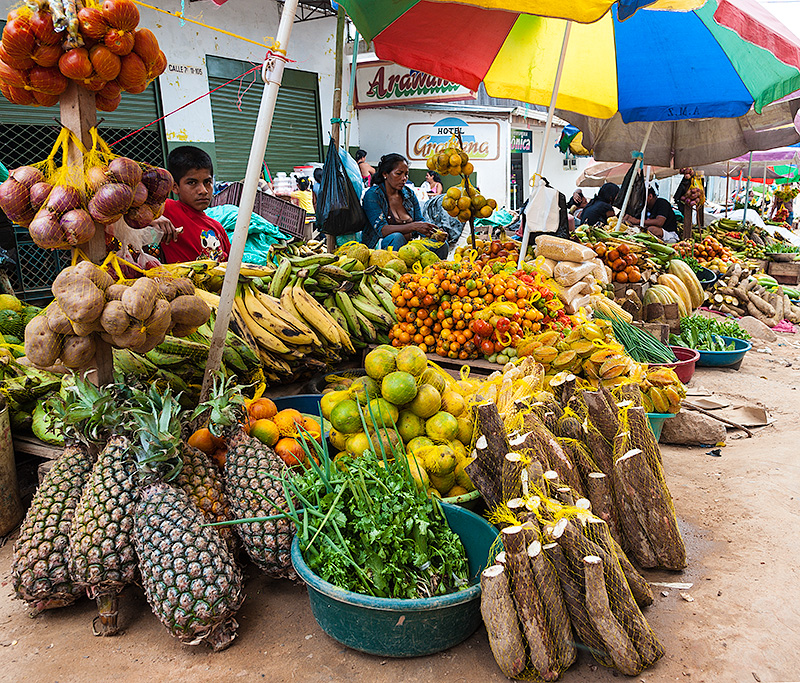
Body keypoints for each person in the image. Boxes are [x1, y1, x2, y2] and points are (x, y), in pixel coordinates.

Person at [152, 146, 231, 263]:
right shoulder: (167, 209)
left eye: (207, 182)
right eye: (192, 183)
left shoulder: (217, 228)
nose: (203, 190)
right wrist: (151, 218)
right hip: (181, 280)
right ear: (175, 187)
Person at [361, 153, 436, 249]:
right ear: (385, 174)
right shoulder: (373, 195)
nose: (404, 178)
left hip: (409, 249)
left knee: (439, 243)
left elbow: (419, 221)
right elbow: (382, 230)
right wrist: (413, 226)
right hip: (378, 248)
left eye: (406, 174)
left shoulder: (409, 194)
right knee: (397, 238)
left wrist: (433, 231)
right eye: (398, 174)